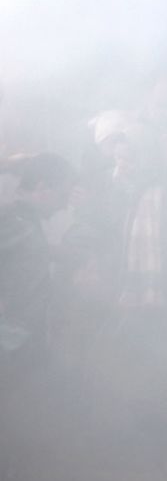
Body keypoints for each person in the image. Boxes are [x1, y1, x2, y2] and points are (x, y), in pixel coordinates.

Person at [0, 153, 76, 373]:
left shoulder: (22, 222)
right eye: (63, 195)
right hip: (10, 345)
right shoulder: (13, 221)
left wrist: (65, 255)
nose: (64, 206)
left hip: (19, 343)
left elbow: (26, 254)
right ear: (43, 189)